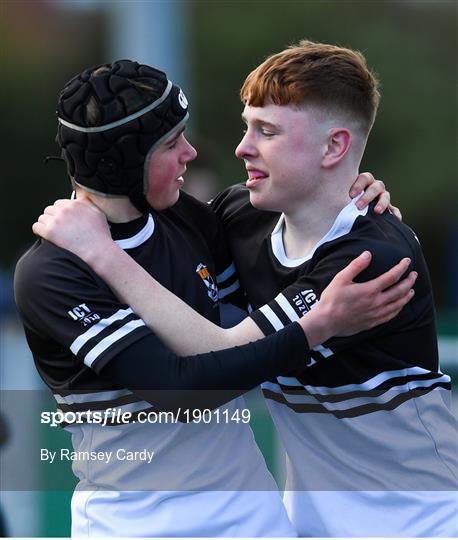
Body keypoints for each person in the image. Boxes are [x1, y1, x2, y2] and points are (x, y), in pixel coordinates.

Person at [33, 42, 457, 537]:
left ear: (334, 147)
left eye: (268, 132)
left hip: (422, 522)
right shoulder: (239, 216)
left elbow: (217, 355)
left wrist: (100, 254)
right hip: (309, 525)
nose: (242, 147)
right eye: (246, 125)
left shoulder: (374, 259)